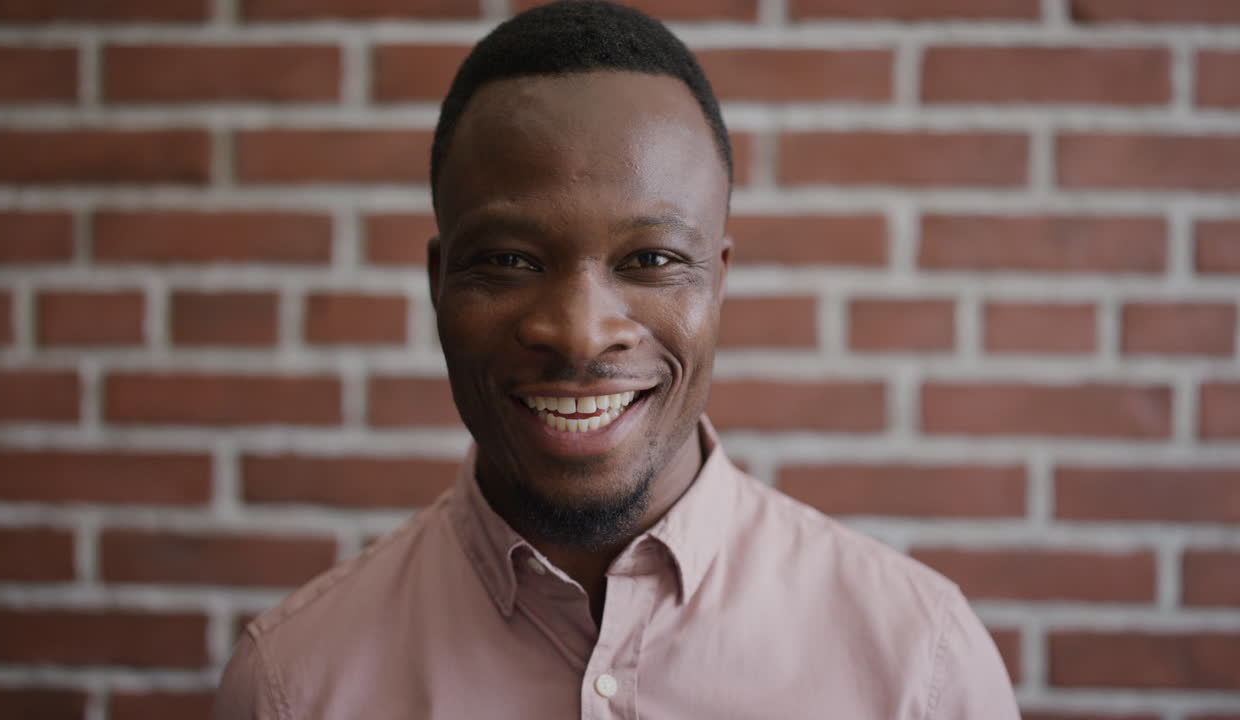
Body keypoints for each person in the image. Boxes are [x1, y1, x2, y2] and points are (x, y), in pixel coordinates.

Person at [212, 2, 1020, 718]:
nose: (579, 333)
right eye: (509, 260)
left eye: (652, 260)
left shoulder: (920, 667)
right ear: (438, 284)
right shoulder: (294, 686)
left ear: (717, 283)